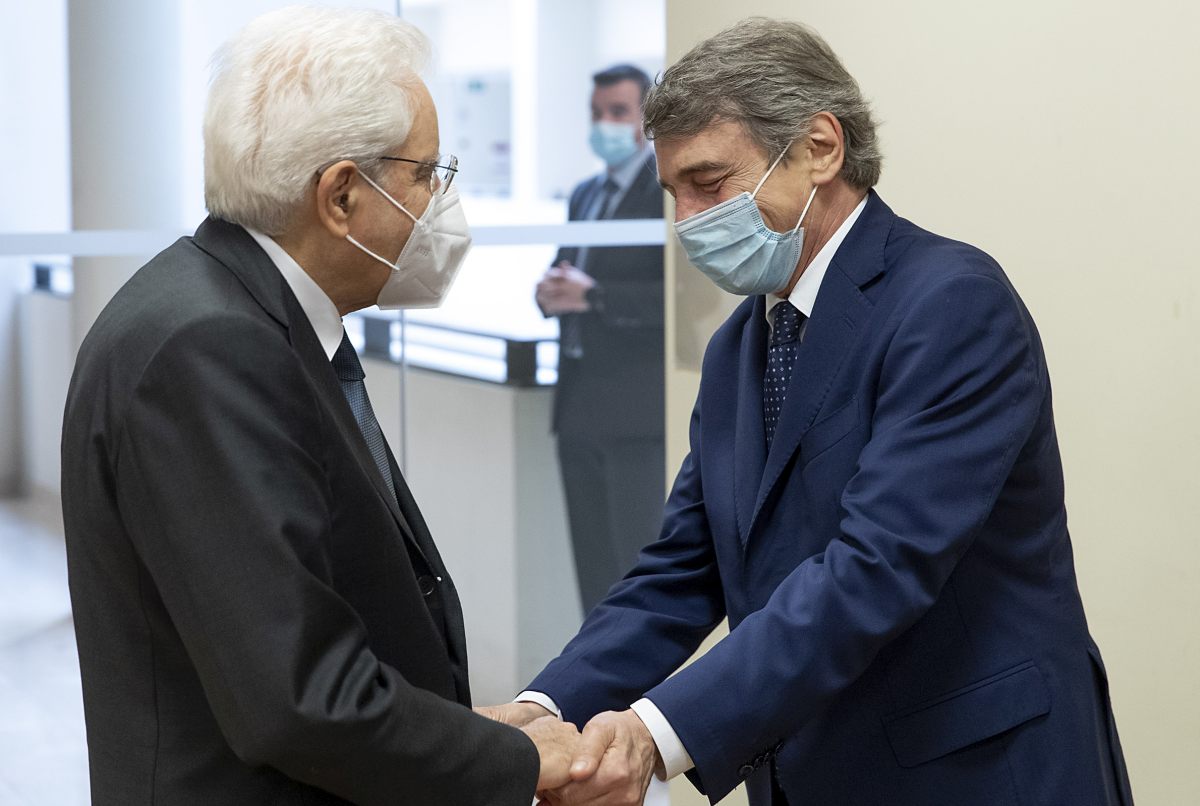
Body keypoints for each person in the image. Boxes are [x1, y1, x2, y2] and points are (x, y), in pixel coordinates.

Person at [486, 17, 1134, 806]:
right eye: (674, 192)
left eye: (709, 183)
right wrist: (544, 708)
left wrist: (654, 733)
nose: (687, 219)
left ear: (820, 148)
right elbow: (682, 567)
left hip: (972, 774)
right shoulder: (740, 346)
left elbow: (876, 567)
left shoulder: (951, 305)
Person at [59, 8, 578, 805]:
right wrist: (517, 761)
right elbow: (298, 698)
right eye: (426, 173)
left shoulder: (241, 312)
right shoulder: (210, 347)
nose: (440, 201)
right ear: (340, 196)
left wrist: (465, 735)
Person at [535, 64, 666, 614]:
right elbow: (567, 270)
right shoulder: (585, 194)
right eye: (596, 113)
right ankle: (593, 668)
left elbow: (675, 299)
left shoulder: (664, 192)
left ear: (646, 118)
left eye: (617, 111)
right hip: (578, 408)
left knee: (634, 569)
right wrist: (549, 292)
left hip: (634, 412)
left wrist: (596, 296)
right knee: (591, 570)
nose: (604, 124)